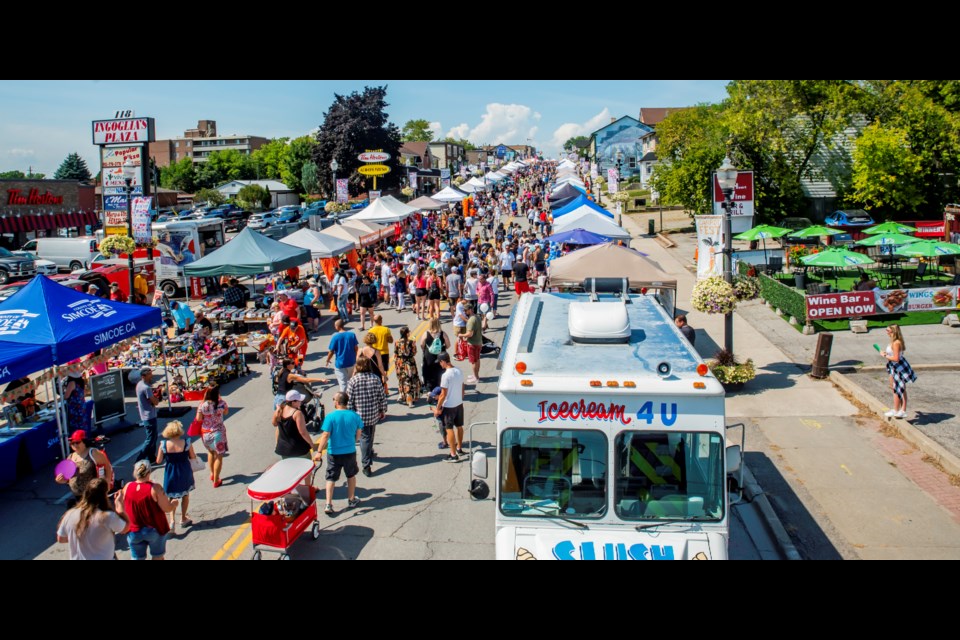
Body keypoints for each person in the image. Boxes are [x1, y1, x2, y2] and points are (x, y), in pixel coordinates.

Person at [313, 392, 363, 516]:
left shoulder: (331, 417)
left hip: (333, 452)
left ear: (337, 402)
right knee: (351, 475)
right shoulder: (355, 416)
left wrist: (319, 451)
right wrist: (353, 441)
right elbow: (358, 433)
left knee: (331, 477)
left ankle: (328, 503)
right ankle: (351, 499)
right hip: (349, 451)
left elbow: (325, 435)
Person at [117, 460, 179, 560]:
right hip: (153, 529)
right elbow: (167, 508)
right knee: (158, 556)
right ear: (149, 472)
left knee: (137, 558)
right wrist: (174, 504)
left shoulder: (127, 487)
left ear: (135, 472)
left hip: (133, 530)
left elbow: (122, 507)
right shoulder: (155, 488)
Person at [56, 478, 129, 560]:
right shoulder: (107, 516)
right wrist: (119, 506)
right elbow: (125, 528)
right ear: (105, 495)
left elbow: (61, 538)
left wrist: (82, 540)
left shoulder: (70, 514)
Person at [346, 355, 387, 477]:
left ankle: (367, 456)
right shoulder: (375, 378)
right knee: (369, 435)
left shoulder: (353, 381)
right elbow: (382, 396)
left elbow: (349, 400)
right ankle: (366, 463)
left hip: (359, 415)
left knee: (365, 437)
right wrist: (383, 409)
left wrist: (350, 413)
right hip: (373, 413)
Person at [155, 421, 197, 530]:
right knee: (185, 495)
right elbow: (193, 457)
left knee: (171, 497)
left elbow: (158, 461)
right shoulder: (186, 442)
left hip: (170, 472)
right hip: (184, 472)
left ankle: (172, 521)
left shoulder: (163, 444)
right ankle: (183, 518)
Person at [56, 429, 113, 504]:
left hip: (94, 495)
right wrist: (61, 480)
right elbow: (68, 478)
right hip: (78, 497)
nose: (75, 445)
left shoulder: (93, 453)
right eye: (72, 443)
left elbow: (107, 467)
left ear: (84, 442)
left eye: (77, 442)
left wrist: (107, 482)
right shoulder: (70, 457)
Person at [434, 352, 465, 462]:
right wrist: (460, 398)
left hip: (449, 406)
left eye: (440, 363)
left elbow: (443, 394)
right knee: (459, 426)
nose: (440, 365)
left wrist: (438, 408)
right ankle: (459, 448)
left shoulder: (445, 375)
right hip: (459, 403)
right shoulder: (459, 371)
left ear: (443, 361)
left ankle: (453, 455)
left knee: (449, 429)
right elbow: (462, 388)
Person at [197, 385, 229, 488]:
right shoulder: (222, 404)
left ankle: (212, 474)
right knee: (219, 455)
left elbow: (198, 419)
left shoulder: (202, 405)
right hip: (218, 432)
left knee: (210, 452)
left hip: (205, 433)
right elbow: (226, 412)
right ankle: (216, 480)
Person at [883, 324, 917, 419]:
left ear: (893, 332)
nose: (886, 332)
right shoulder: (893, 342)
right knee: (894, 388)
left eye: (888, 330)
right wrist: (887, 354)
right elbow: (893, 355)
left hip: (899, 367)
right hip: (893, 367)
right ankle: (896, 409)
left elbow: (896, 358)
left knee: (900, 388)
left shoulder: (896, 343)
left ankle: (902, 410)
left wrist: (884, 355)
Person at [273, 390, 318, 459]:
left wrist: (277, 443)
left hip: (284, 450)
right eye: (299, 400)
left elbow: (277, 428)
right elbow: (303, 432)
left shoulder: (280, 410)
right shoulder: (297, 413)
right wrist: (312, 444)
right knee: (306, 468)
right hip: (298, 449)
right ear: (293, 402)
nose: (301, 402)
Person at [325, 320, 359, 392]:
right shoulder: (352, 335)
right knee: (351, 381)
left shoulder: (335, 337)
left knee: (343, 383)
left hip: (340, 364)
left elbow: (331, 351)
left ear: (337, 326)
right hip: (351, 362)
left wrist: (328, 360)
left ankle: (343, 400)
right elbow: (356, 348)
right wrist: (357, 358)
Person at [134, 368, 159, 464]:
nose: (151, 375)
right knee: (150, 438)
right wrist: (157, 399)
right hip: (149, 415)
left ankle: (151, 457)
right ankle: (140, 459)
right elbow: (154, 401)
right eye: (149, 374)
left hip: (145, 414)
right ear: (143, 376)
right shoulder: (146, 388)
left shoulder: (139, 384)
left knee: (153, 437)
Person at [394, 326, 422, 407]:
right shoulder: (411, 342)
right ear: (407, 333)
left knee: (402, 379)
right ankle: (410, 400)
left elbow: (395, 353)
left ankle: (402, 395)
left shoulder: (397, 342)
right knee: (410, 380)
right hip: (409, 363)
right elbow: (414, 353)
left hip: (400, 363)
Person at [419, 317, 450, 391]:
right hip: (441, 356)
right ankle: (441, 387)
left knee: (428, 371)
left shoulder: (426, 333)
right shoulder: (443, 333)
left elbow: (421, 344)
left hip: (429, 355)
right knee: (441, 372)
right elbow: (448, 345)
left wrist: (425, 349)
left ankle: (430, 388)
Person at [461, 302, 483, 384]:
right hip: (479, 342)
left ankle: (476, 377)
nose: (465, 312)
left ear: (470, 310)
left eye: (466, 311)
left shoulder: (471, 320)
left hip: (472, 344)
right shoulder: (477, 317)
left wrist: (461, 335)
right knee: (477, 359)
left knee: (473, 361)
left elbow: (469, 334)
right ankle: (476, 375)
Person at [368, 314, 394, 384]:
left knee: (376, 369)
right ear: (381, 320)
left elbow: (368, 342)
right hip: (384, 352)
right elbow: (391, 341)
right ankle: (384, 384)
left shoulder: (370, 330)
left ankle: (377, 383)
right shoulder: (386, 329)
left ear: (374, 321)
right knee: (384, 369)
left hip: (374, 352)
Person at [64, 371, 90, 435]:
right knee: (82, 426)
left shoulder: (72, 383)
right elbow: (84, 393)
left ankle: (78, 442)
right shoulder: (81, 382)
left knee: (76, 428)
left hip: (75, 408)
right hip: (81, 406)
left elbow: (66, 396)